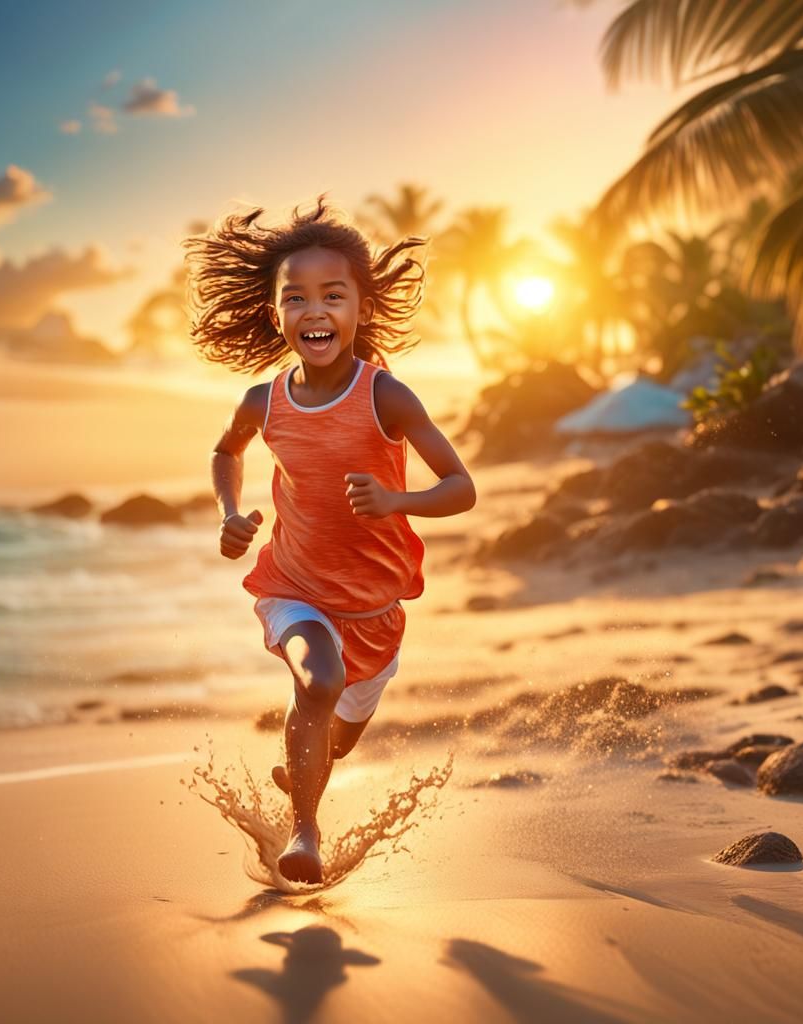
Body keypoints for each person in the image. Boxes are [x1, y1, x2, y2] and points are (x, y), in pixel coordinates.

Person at [187, 196, 476, 885]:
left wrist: (397, 501)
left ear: (361, 310)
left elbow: (461, 487)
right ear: (275, 313)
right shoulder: (264, 402)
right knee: (318, 683)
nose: (314, 310)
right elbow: (226, 452)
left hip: (376, 611)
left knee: (338, 733)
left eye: (333, 295)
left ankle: (308, 768)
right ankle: (305, 834)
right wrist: (229, 512)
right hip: (295, 589)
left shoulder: (386, 397)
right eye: (296, 297)